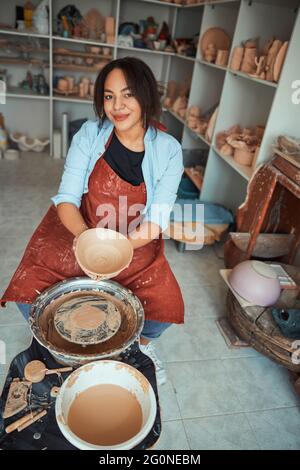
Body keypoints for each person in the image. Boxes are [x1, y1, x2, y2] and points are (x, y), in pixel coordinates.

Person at [0, 57, 185, 385]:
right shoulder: (90, 134)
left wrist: (118, 248)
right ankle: (70, 344)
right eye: (109, 96)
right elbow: (67, 199)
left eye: (128, 95)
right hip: (81, 224)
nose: (118, 106)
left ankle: (141, 348)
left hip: (135, 235)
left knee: (163, 304)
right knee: (27, 292)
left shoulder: (168, 149)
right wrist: (87, 238)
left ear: (146, 97)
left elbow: (156, 221)